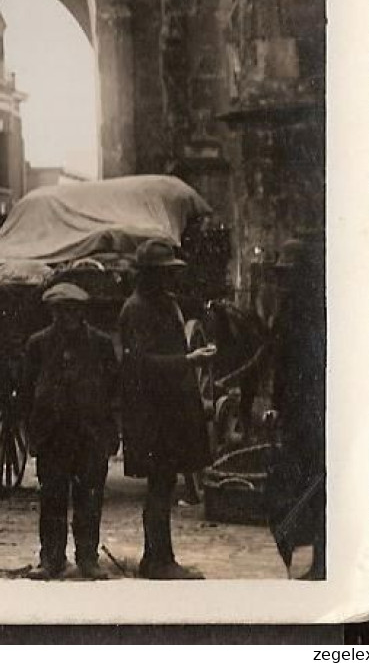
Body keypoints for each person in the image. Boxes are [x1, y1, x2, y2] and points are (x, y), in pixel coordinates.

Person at [118, 239, 216, 579]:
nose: (167, 280)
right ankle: (159, 561)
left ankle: (158, 557)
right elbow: (140, 364)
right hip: (150, 413)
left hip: (168, 411)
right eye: (162, 274)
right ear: (146, 276)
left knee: (165, 484)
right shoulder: (136, 309)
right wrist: (187, 360)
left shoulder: (163, 305)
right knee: (159, 486)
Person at [19, 281, 120, 580]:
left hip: (89, 433)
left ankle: (87, 557)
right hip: (53, 435)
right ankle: (52, 558)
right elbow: (26, 390)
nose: (68, 317)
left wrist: (109, 429)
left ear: (82, 311)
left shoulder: (100, 344)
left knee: (90, 497)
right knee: (52, 498)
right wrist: (33, 431)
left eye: (73, 310)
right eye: (61, 311)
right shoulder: (38, 344)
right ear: (52, 313)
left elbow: (114, 388)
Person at [265, 234, 326, 580]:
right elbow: (280, 365)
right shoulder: (288, 310)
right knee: (302, 486)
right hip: (295, 412)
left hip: (313, 412)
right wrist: (277, 405)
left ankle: (320, 561)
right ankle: (312, 558)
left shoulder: (315, 312)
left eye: (289, 275)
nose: (284, 282)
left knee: (315, 487)